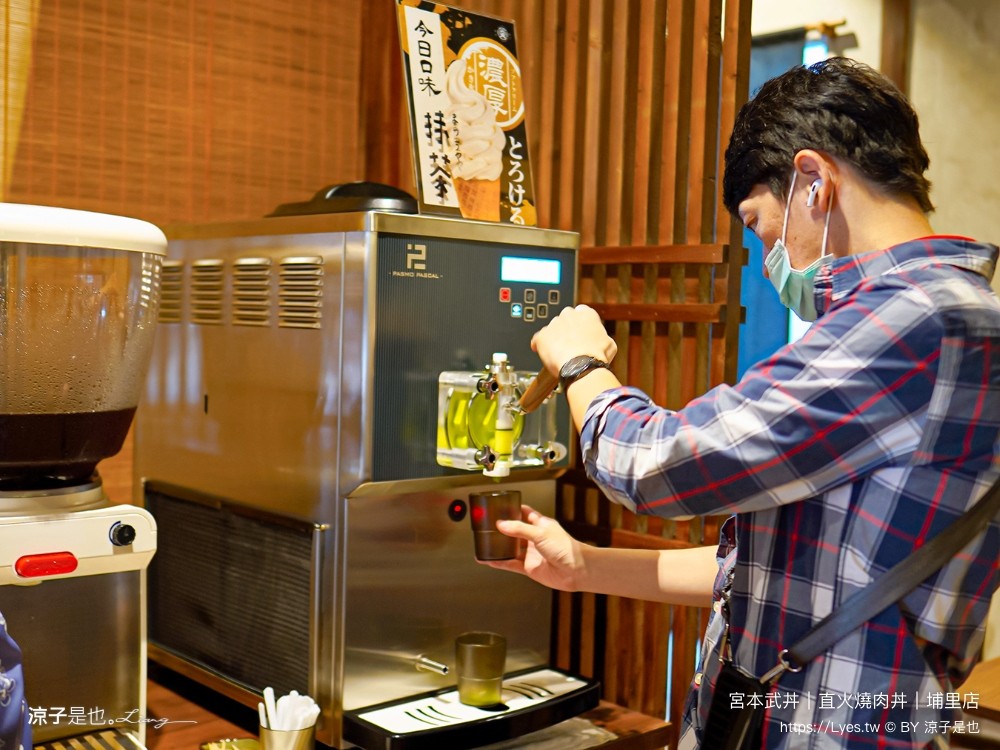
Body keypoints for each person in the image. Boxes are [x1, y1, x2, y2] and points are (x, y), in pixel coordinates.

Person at [485, 57, 1000, 749]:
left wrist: (581, 363)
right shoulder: (967, 316)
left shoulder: (914, 319)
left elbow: (651, 464)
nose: (769, 256)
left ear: (814, 181)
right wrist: (584, 565)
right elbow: (779, 571)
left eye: (762, 227)